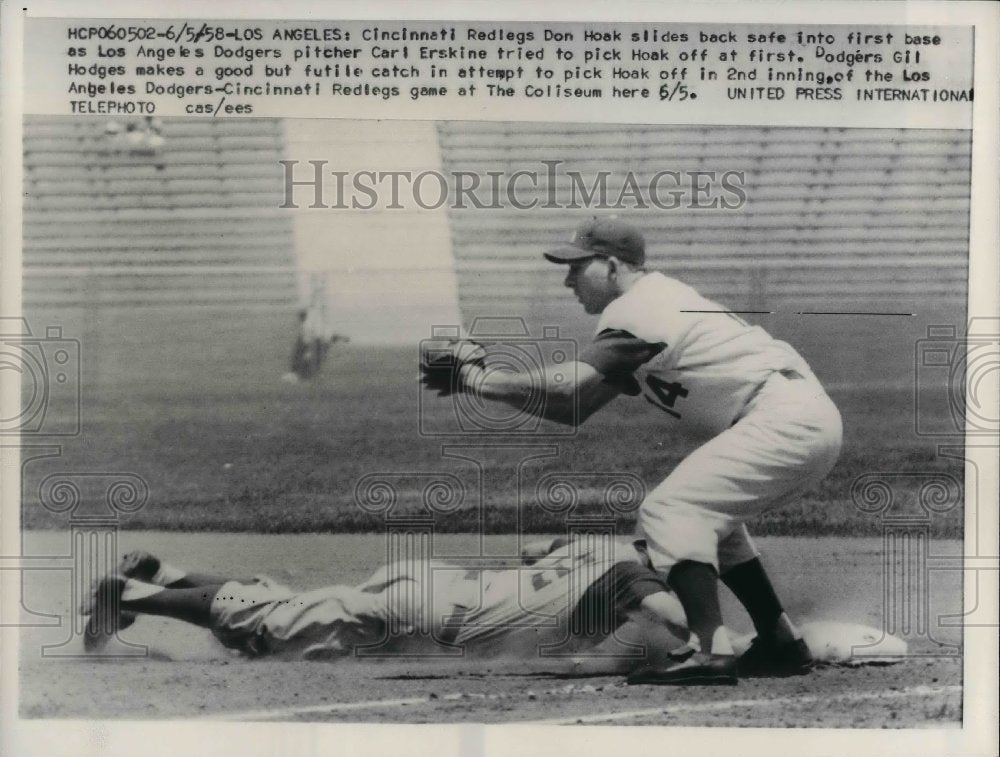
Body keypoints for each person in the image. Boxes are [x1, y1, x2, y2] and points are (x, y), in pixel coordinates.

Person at [440, 217, 843, 684]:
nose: (568, 280)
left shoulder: (641, 307)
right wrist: (476, 386)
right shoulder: (650, 306)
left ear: (612, 266)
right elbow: (573, 407)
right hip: (795, 414)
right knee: (713, 525)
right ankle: (779, 643)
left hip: (783, 415)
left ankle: (710, 652)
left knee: (671, 509)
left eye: (577, 267)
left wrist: (475, 377)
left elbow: (566, 381)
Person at [80, 538, 696, 675]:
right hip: (432, 616)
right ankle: (137, 596)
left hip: (439, 590)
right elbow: (669, 615)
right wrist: (690, 635)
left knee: (292, 607)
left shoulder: (607, 544)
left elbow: (538, 548)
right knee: (270, 629)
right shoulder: (629, 573)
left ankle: (165, 575)